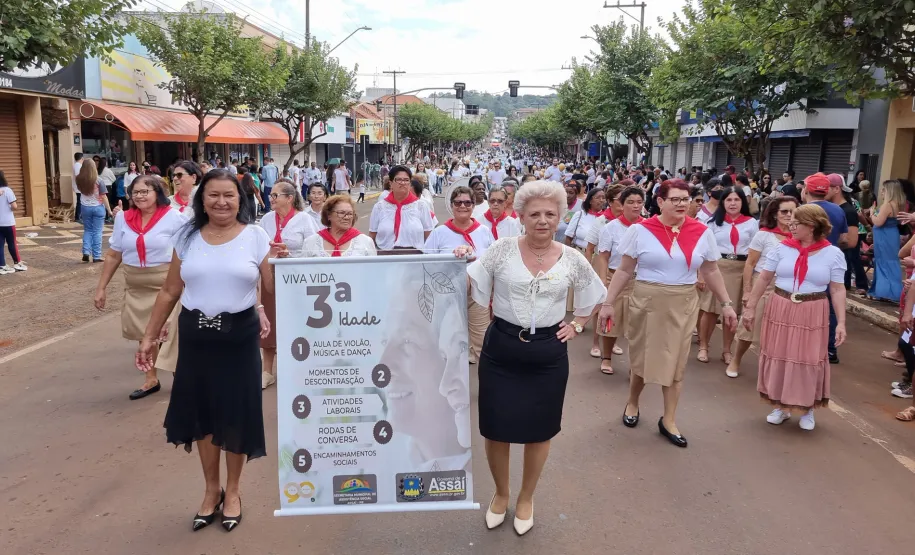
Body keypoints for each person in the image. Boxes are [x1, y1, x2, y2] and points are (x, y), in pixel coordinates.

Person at [137, 169, 280, 533]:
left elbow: (271, 287)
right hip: (196, 337)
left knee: (235, 413)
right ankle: (210, 490)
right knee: (202, 416)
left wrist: (283, 265)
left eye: (229, 195)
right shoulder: (187, 237)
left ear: (240, 199)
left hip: (240, 337)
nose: (221, 202)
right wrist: (149, 337)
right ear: (202, 200)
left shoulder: (256, 237)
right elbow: (170, 291)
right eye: (213, 195)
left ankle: (233, 492)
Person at [466, 180, 607, 535]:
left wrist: (577, 324)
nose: (542, 220)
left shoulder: (572, 258)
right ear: (521, 216)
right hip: (501, 349)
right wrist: (457, 259)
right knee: (496, 429)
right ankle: (501, 494)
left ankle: (527, 497)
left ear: (560, 217)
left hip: (548, 354)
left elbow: (595, 291)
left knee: (538, 431)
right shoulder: (501, 249)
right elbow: (473, 282)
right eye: (534, 214)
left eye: (550, 214)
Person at [599, 179, 738, 448]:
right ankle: (633, 402)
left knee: (676, 362)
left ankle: (669, 419)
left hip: (683, 302)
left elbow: (710, 270)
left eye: (686, 199)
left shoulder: (701, 232)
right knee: (642, 356)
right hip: (647, 299)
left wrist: (726, 303)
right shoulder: (640, 231)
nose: (681, 204)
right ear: (660, 202)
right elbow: (626, 270)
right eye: (675, 199)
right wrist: (608, 302)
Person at [743, 204, 847, 431]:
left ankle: (807, 407)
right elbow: (764, 278)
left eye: (796, 222)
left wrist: (841, 323)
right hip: (781, 305)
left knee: (808, 359)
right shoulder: (782, 248)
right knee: (780, 355)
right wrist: (750, 307)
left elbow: (838, 290)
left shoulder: (833, 254)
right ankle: (780, 406)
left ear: (811, 226)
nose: (791, 225)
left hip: (813, 308)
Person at [94, 175, 185, 399]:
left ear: (158, 193)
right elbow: (114, 254)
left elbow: (186, 251)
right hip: (136, 284)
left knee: (170, 334)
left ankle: (180, 379)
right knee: (144, 333)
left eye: (145, 191)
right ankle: (150, 378)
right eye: (136, 192)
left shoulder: (174, 218)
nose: (140, 196)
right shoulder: (123, 218)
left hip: (167, 283)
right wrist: (101, 287)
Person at [726, 196, 798, 378]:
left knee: (781, 331)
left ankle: (771, 368)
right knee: (749, 326)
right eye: (785, 211)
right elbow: (750, 263)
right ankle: (736, 360)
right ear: (774, 214)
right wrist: (748, 290)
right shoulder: (763, 234)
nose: (789, 215)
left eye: (793, 211)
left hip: (788, 287)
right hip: (763, 284)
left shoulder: (801, 235)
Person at [258, 180, 319, 389]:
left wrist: (290, 253)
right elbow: (258, 247)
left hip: (296, 276)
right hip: (271, 274)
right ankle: (267, 371)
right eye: (271, 195)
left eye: (275, 195)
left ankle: (298, 368)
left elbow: (314, 249)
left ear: (289, 198)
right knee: (270, 320)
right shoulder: (266, 219)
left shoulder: (304, 220)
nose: (271, 199)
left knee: (298, 322)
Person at [425, 186, 495, 365]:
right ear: (451, 205)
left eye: (467, 202)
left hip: (477, 296)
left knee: (482, 344)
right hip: (446, 296)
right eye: (458, 202)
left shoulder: (484, 232)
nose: (462, 206)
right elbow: (426, 264)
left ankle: (487, 389)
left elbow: (493, 262)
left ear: (473, 205)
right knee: (447, 344)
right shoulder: (439, 233)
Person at [698, 186, 758, 365]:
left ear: (743, 202)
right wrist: (701, 274)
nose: (733, 204)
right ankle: (703, 346)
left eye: (737, 200)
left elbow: (755, 250)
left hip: (740, 268)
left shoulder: (751, 223)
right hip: (717, 267)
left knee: (731, 312)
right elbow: (703, 250)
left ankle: (726, 350)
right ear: (723, 202)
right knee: (709, 310)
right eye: (729, 200)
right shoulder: (712, 223)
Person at [595, 186, 645, 374]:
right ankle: (606, 358)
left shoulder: (647, 226)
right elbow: (603, 256)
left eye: (639, 202)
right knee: (611, 322)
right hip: (615, 277)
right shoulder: (610, 228)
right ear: (621, 205)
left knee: (638, 325)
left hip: (640, 280)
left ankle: (635, 365)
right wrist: (603, 280)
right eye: (630, 202)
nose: (635, 206)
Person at [369, 165, 434, 254]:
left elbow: (429, 236)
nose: (402, 183)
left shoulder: (421, 206)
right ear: (391, 183)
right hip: (385, 258)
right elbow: (372, 236)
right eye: (398, 180)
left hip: (414, 259)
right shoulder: (379, 207)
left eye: (406, 180)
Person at [301, 194, 376, 257]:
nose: (346, 217)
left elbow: (373, 271)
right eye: (341, 213)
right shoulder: (311, 242)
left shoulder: (365, 242)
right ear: (329, 215)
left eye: (350, 214)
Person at [868, 179, 905, 303]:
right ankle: (890, 291)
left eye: (884, 189)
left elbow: (878, 222)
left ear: (889, 191)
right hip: (892, 234)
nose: (882, 192)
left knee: (883, 262)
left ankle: (885, 292)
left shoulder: (887, 205)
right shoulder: (899, 204)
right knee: (891, 262)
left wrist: (872, 214)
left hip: (884, 236)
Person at [76, 159, 113, 263]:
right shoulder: (99, 180)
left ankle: (86, 252)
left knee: (88, 230)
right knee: (97, 231)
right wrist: (109, 210)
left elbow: (77, 191)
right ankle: (96, 256)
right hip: (98, 207)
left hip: (85, 207)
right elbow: (104, 196)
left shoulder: (79, 179)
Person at [0, 170, 25, 273]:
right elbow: (14, 206)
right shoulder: (7, 190)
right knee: (12, 243)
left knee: (0, 245)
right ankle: (17, 263)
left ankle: (2, 266)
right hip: (8, 222)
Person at [73, 152, 84, 222]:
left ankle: (79, 216)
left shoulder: (78, 165)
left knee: (81, 201)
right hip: (79, 187)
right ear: (82, 158)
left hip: (79, 186)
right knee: (80, 201)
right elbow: (78, 176)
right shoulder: (78, 165)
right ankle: (78, 217)